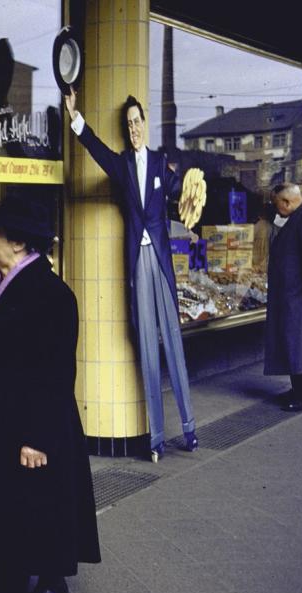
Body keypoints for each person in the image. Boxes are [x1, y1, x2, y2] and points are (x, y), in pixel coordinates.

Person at [0, 196, 100, 593]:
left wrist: (39, 437)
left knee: (40, 499)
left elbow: (55, 370)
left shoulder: (52, 295)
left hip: (34, 418)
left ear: (17, 242)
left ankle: (52, 582)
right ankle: (9, 569)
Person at [64, 88, 198, 461]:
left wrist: (190, 192)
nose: (134, 128)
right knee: (147, 351)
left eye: (138, 121)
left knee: (173, 344)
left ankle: (189, 429)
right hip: (137, 264)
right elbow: (96, 150)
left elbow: (180, 190)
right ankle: (156, 438)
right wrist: (76, 118)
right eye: (129, 124)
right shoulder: (121, 165)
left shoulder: (160, 162)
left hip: (161, 261)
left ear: (146, 124)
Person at [264, 182, 302, 411]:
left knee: (301, 347)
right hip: (295, 296)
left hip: (301, 297)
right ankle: (300, 390)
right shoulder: (301, 215)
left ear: (286, 202)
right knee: (296, 346)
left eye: (276, 203)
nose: (275, 209)